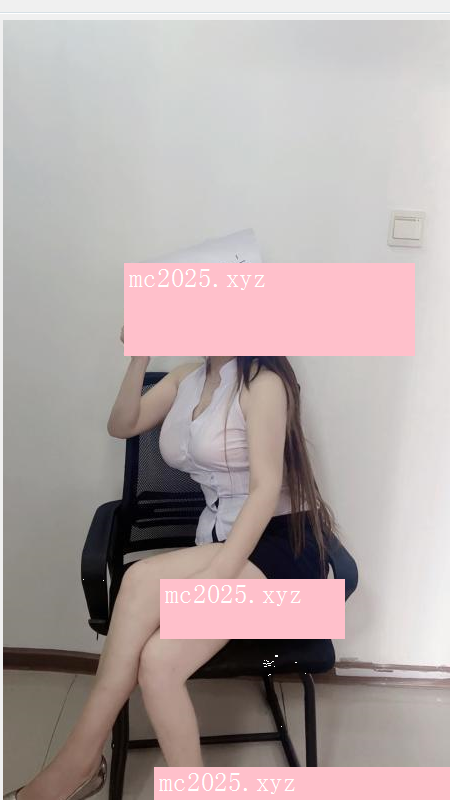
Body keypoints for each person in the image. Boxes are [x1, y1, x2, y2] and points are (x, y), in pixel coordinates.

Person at [5, 337, 338, 799]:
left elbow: (265, 491)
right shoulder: (186, 379)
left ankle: (77, 764)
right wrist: (140, 356)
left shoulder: (264, 383)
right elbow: (121, 425)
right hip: (227, 546)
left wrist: (212, 582)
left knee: (140, 578)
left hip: (284, 556)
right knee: (158, 663)